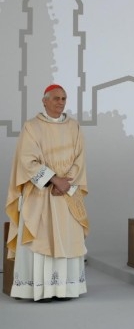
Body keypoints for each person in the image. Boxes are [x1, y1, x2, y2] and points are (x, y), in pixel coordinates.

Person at [5, 84, 88, 301]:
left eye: (64, 98)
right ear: (44, 101)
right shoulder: (32, 126)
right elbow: (27, 160)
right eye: (56, 98)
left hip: (66, 193)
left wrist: (66, 183)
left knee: (68, 238)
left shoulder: (74, 126)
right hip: (40, 194)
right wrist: (54, 180)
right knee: (40, 239)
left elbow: (79, 159)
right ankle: (39, 290)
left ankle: (65, 289)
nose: (60, 102)